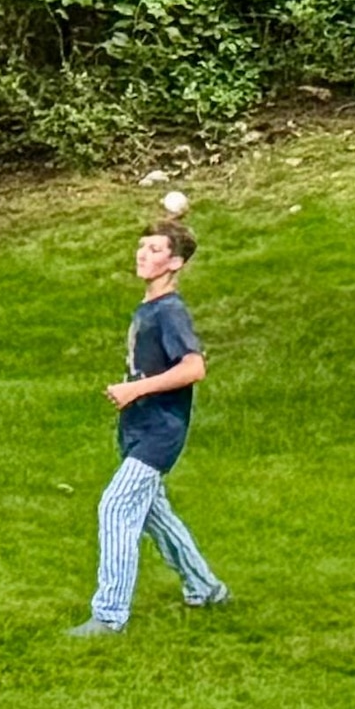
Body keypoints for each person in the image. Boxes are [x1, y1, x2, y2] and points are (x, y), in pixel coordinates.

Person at [71, 214, 228, 636]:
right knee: (155, 515)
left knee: (116, 507)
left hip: (160, 431)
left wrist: (135, 391)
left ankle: (109, 616)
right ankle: (205, 588)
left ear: (175, 263)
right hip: (138, 428)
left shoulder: (171, 312)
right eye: (142, 246)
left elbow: (194, 368)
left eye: (155, 249)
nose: (143, 254)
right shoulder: (150, 308)